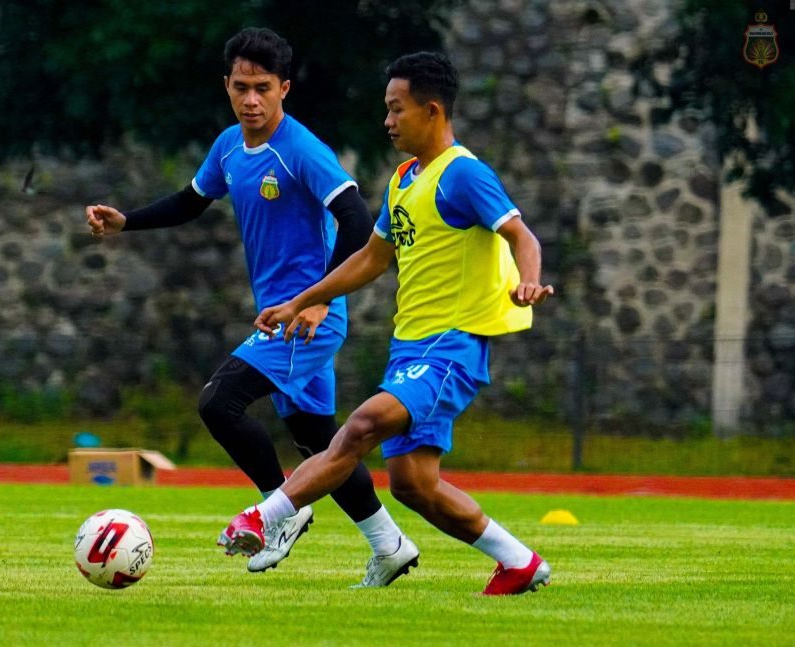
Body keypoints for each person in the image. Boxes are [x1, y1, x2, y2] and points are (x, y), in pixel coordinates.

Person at [86, 28, 418, 587]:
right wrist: (129, 221)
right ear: (227, 86)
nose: (251, 100)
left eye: (263, 88)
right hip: (281, 316)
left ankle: (279, 510)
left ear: (284, 88)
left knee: (219, 402)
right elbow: (193, 201)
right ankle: (390, 545)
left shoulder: (303, 150)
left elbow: (359, 224)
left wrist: (318, 301)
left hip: (308, 319)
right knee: (321, 443)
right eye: (241, 87)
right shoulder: (229, 146)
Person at [220, 52, 555, 596]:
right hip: (411, 348)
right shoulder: (404, 179)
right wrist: (300, 302)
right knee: (414, 485)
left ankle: (266, 516)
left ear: (431, 110)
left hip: (452, 346)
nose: (388, 120)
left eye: (396, 110)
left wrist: (528, 282)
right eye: (386, 109)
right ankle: (519, 561)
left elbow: (523, 237)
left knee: (360, 426)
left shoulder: (464, 173)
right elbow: (370, 260)